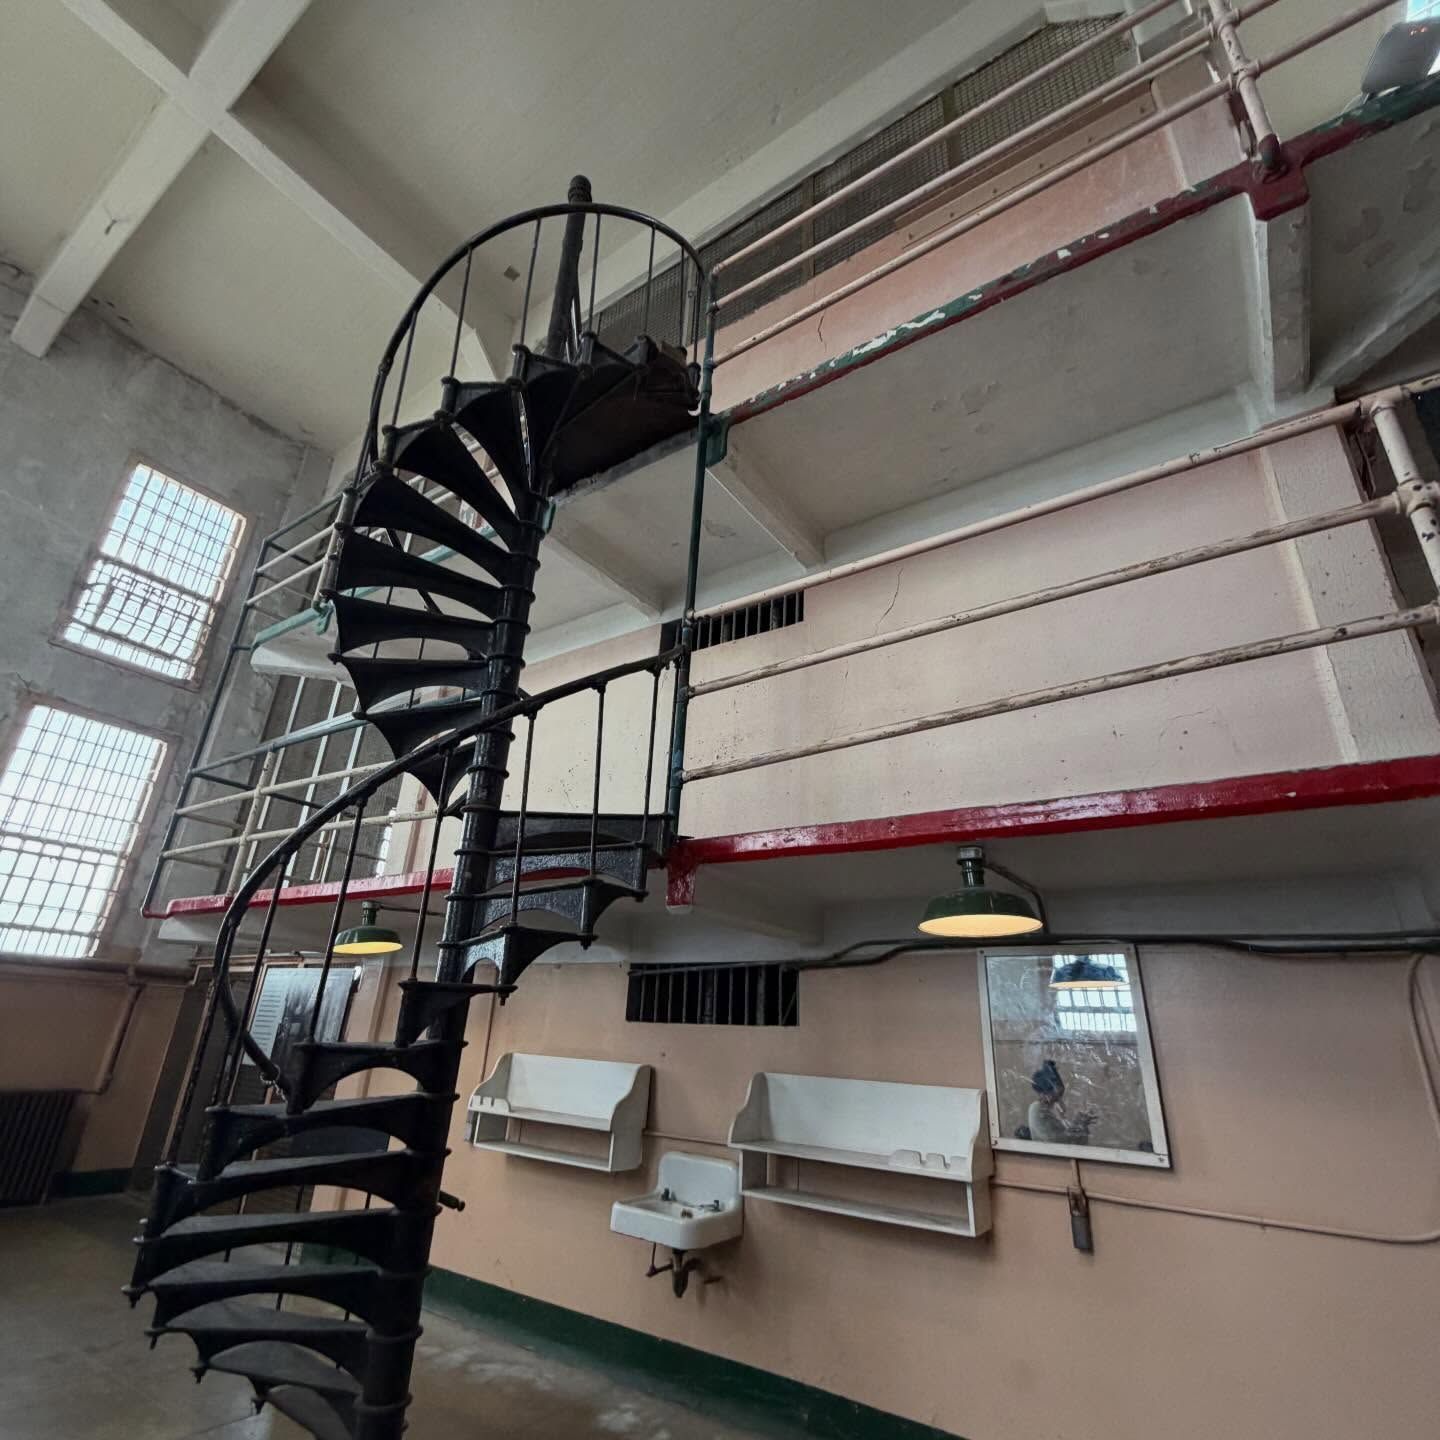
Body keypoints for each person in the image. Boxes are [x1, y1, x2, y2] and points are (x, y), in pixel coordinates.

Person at [1025, 1059, 1096, 1145]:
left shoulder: (1051, 1110)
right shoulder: (1037, 1109)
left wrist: (1081, 1125)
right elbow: (1058, 1142)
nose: (1059, 1101)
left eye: (1060, 1096)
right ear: (1043, 1093)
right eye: (1056, 1097)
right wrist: (1079, 1126)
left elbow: (1074, 1143)